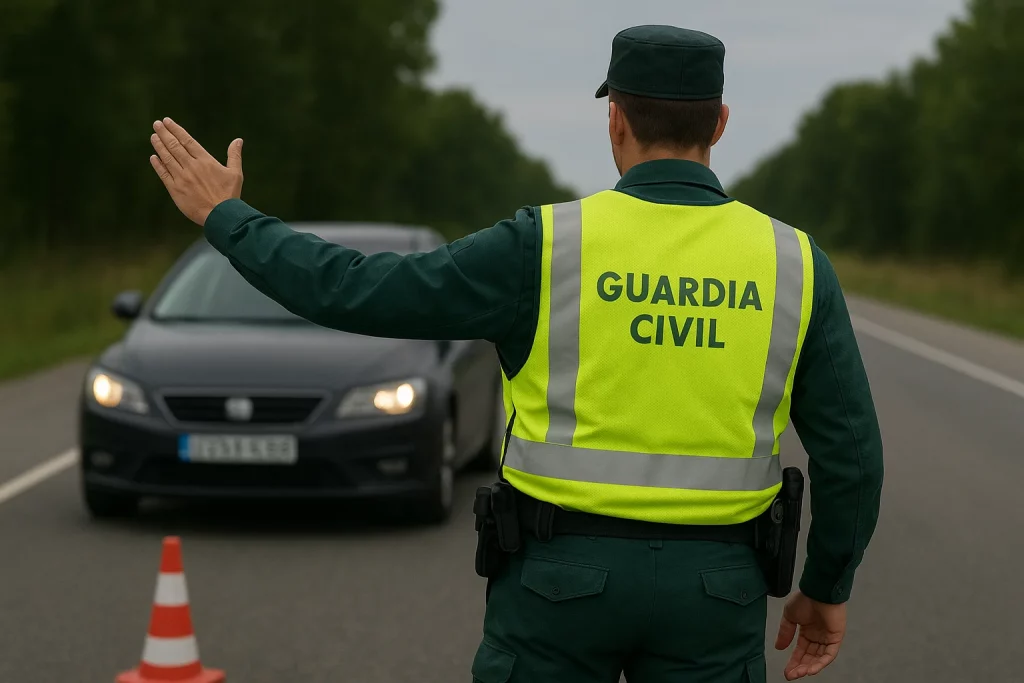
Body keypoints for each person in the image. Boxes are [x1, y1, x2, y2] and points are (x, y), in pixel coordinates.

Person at [148, 24, 883, 683]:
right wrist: (826, 585)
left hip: (555, 587)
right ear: (719, 124)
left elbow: (356, 289)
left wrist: (228, 218)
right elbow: (851, 453)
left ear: (615, 120)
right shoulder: (795, 263)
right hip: (716, 591)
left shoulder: (545, 246)